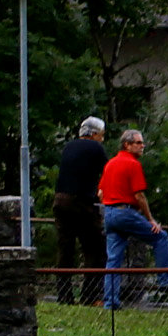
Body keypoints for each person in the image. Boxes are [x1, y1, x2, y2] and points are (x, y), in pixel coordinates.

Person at [96, 127, 168, 311]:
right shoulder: (133, 164)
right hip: (126, 211)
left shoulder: (110, 164)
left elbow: (100, 192)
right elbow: (139, 195)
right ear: (127, 145)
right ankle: (166, 279)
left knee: (113, 260)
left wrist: (111, 204)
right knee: (160, 237)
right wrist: (150, 220)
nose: (142, 146)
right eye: (138, 143)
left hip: (110, 212)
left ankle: (111, 301)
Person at [52, 117, 109, 287]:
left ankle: (63, 292)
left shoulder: (69, 146)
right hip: (81, 202)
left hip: (60, 200)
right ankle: (90, 293)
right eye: (101, 134)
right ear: (94, 134)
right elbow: (107, 172)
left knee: (65, 248)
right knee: (95, 247)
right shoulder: (96, 148)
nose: (102, 138)